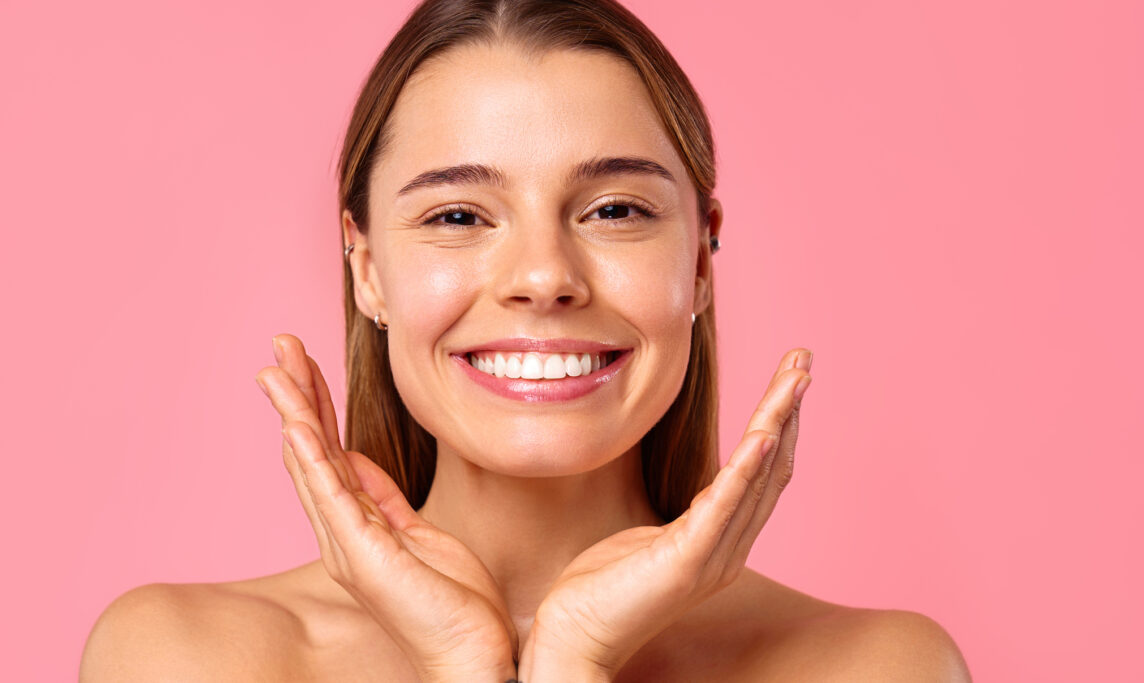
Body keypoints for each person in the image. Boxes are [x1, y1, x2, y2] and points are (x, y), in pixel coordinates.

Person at [80, 0, 971, 680]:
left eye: (615, 210)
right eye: (460, 214)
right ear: (366, 269)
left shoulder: (874, 666)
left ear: (701, 256)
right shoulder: (186, 657)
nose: (544, 275)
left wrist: (572, 658)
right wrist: (466, 660)